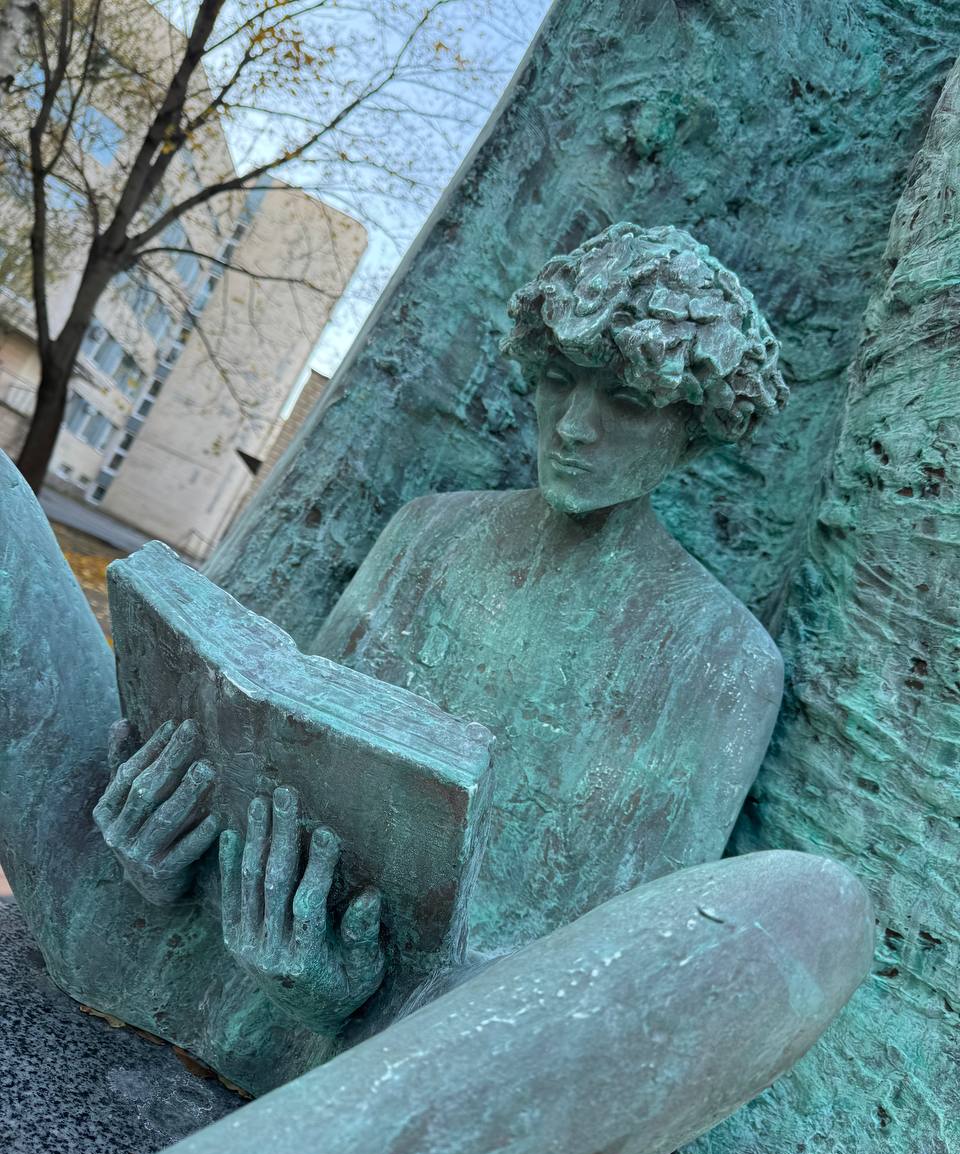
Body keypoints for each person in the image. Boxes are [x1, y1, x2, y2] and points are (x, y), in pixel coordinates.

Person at [0, 224, 794, 1086]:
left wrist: (339, 997)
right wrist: (164, 854)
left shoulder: (723, 664)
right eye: (560, 380)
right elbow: (290, 768)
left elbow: (602, 991)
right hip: (184, 949)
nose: (574, 426)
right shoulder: (429, 532)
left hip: (390, 1077)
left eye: (628, 402)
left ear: (695, 432)